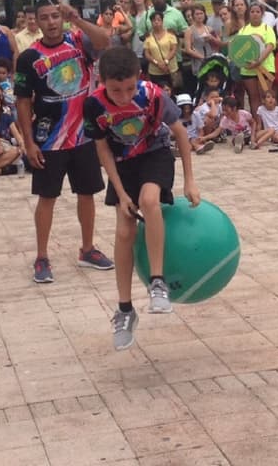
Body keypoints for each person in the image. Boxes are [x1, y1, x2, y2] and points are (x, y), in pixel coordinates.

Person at [82, 46, 200, 351]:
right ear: (102, 81)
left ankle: (157, 283)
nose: (123, 96)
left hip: (154, 153)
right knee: (124, 231)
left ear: (139, 78)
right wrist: (120, 194)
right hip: (122, 164)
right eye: (115, 89)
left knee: (150, 201)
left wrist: (189, 180)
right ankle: (124, 309)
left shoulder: (152, 95)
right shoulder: (93, 104)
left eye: (129, 88)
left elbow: (181, 135)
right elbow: (103, 150)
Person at [13, 0, 115, 280]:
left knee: (87, 193)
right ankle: (42, 256)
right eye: (44, 17)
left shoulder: (79, 41)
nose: (51, 22)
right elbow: (22, 101)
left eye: (56, 16)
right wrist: (28, 141)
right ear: (35, 21)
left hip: (83, 135)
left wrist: (77, 19)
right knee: (47, 197)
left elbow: (106, 39)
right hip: (49, 138)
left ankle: (88, 248)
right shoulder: (28, 57)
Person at [143, 11, 181, 91]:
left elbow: (173, 50)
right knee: (157, 92)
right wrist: (157, 63)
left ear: (162, 21)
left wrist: (166, 62)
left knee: (173, 91)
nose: (156, 22)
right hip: (155, 71)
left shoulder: (170, 34)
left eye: (158, 20)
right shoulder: (148, 37)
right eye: (154, 20)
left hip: (170, 69)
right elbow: (147, 53)